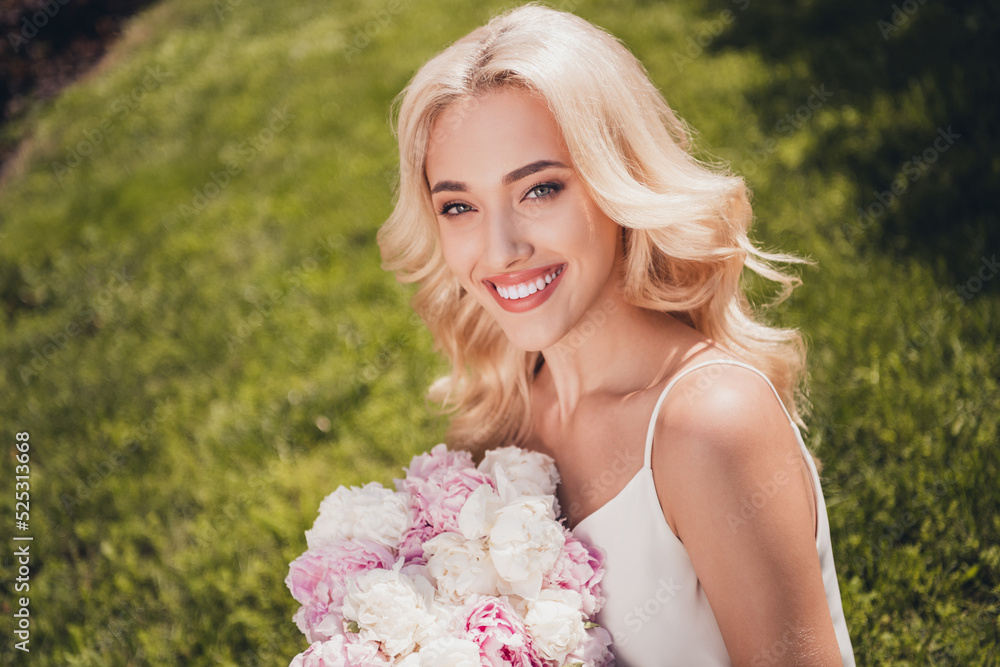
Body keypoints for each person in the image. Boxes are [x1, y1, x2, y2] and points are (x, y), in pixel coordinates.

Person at [377, 4, 856, 665]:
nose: (501, 248)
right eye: (459, 206)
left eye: (540, 190)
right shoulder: (511, 415)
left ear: (615, 181)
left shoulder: (707, 422)